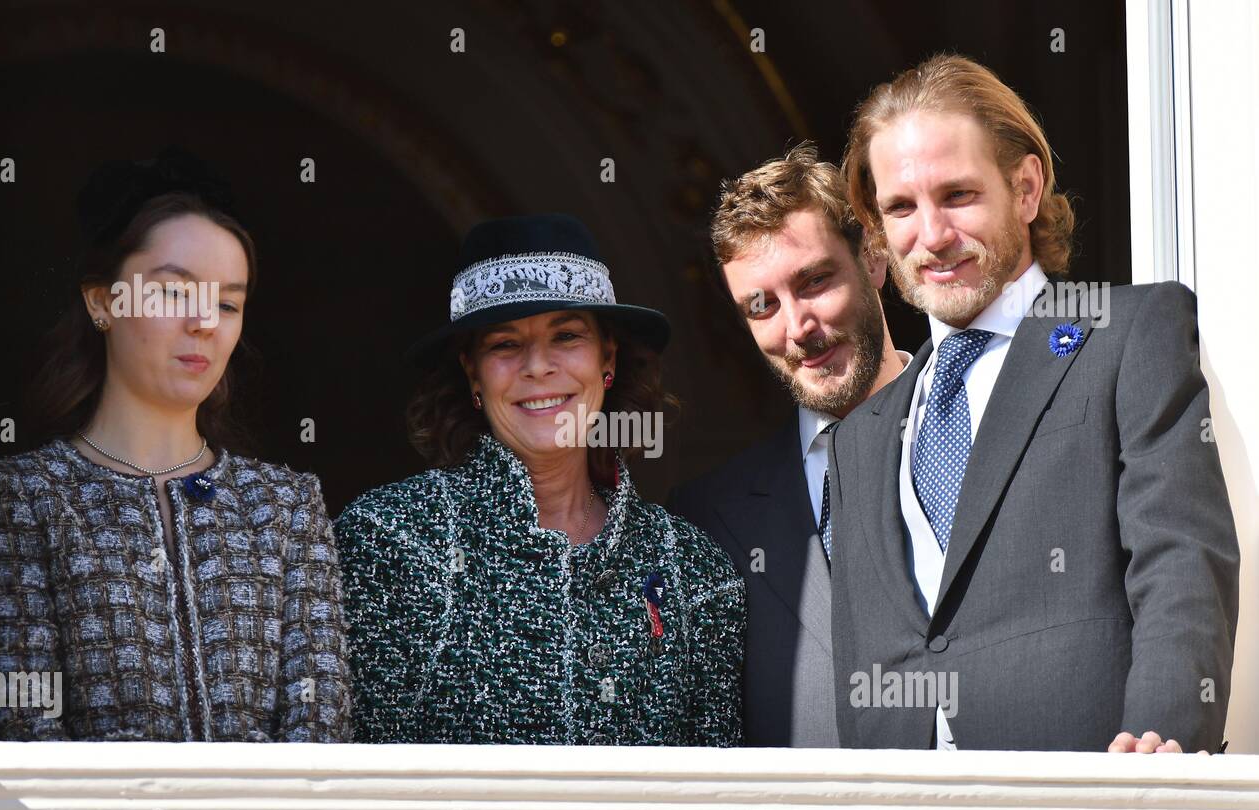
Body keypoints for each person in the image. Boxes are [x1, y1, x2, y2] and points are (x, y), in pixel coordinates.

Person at [829, 54, 1239, 752]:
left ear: (1024, 187)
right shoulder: (858, 436)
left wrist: (1162, 750)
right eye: (901, 207)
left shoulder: (1126, 334)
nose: (931, 237)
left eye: (957, 195)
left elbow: (1179, 559)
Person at [336, 214, 744, 746]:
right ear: (472, 372)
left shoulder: (693, 570)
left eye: (567, 335)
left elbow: (716, 803)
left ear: (608, 358)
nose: (538, 367)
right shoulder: (391, 541)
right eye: (505, 344)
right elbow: (356, 788)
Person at [0, 147, 351, 742]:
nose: (206, 322)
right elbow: (24, 728)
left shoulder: (286, 507)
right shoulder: (23, 498)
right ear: (103, 302)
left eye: (228, 303)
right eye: (174, 292)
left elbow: (321, 734)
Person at [669, 143, 911, 747]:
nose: (798, 326)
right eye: (762, 305)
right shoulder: (705, 518)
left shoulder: (989, 434)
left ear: (875, 259)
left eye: (815, 281)